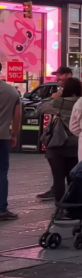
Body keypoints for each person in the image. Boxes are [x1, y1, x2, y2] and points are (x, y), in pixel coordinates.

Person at [36, 78, 82, 206]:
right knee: (72, 177)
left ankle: (60, 207)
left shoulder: (59, 102)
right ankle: (72, 205)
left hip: (57, 144)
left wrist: (53, 97)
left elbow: (40, 108)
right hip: (75, 144)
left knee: (58, 178)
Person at [0, 62, 20, 221]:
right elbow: (17, 116)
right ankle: (1, 209)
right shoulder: (12, 92)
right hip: (2, 138)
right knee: (1, 173)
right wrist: (14, 134)